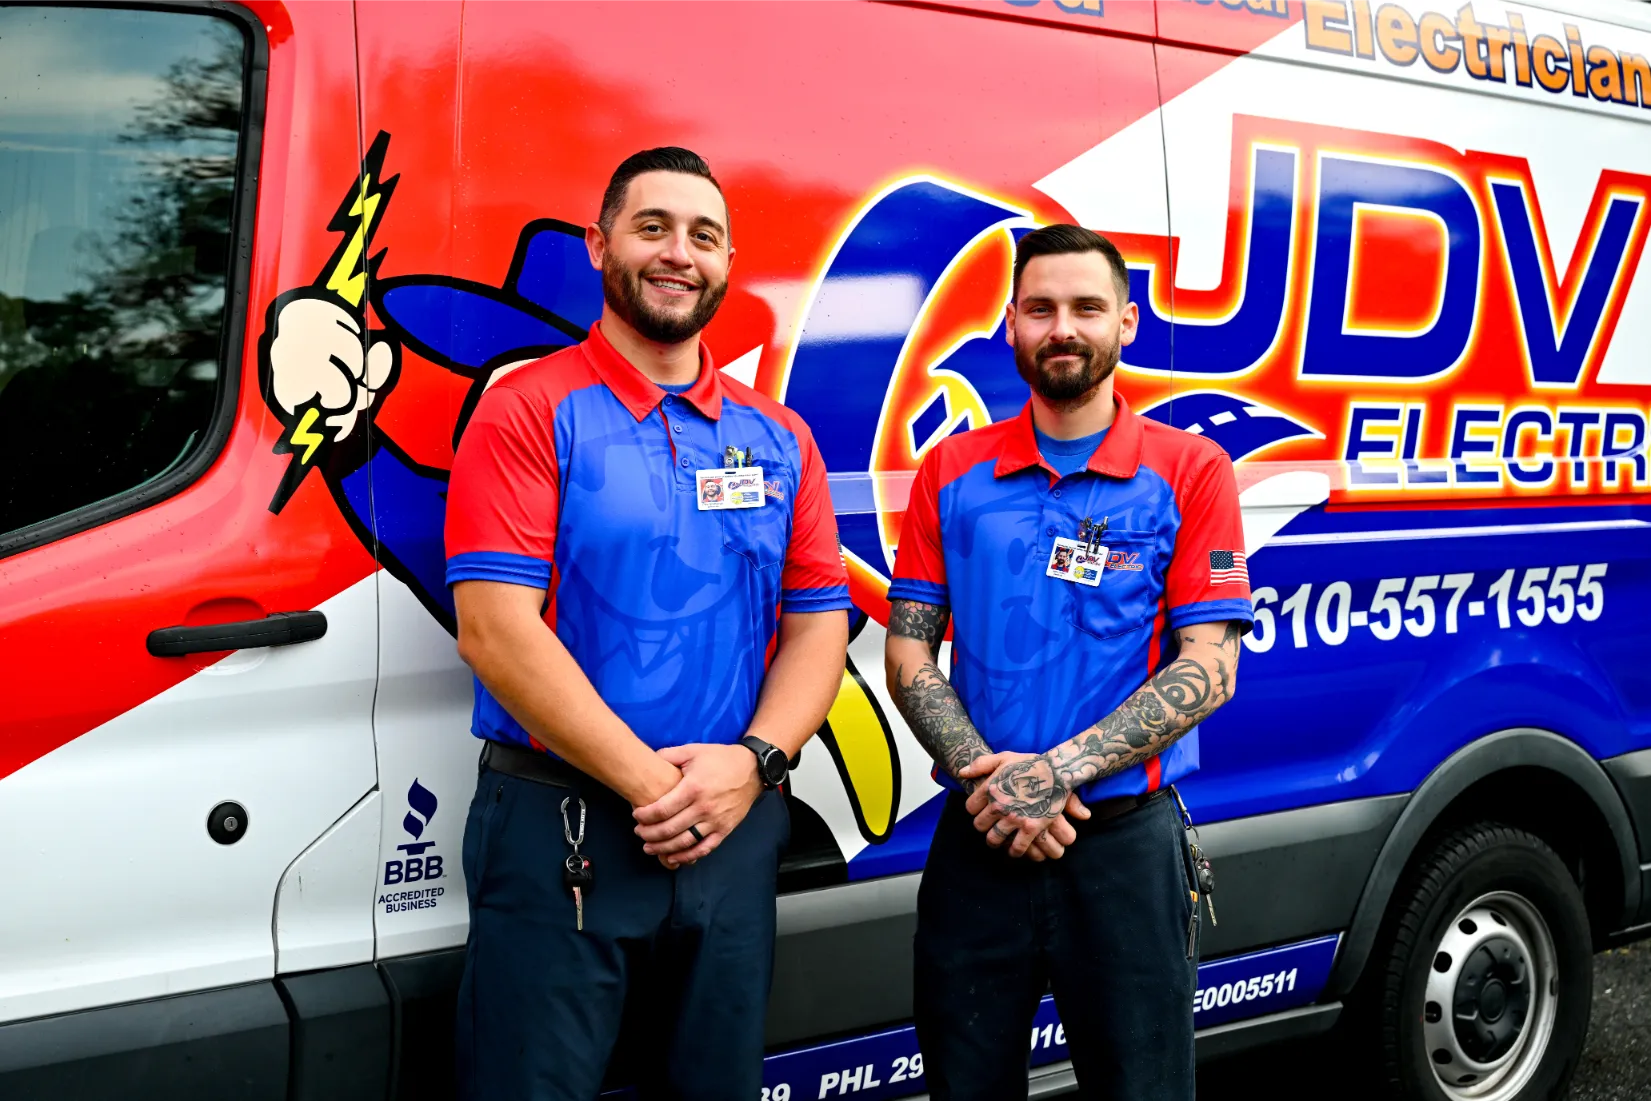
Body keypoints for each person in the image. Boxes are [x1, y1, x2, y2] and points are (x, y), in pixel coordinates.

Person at [445, 146, 851, 1101]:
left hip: (734, 822)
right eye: (652, 227)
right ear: (599, 245)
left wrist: (753, 763)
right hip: (564, 826)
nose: (678, 253)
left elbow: (817, 626)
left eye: (703, 236)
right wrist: (660, 790)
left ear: (727, 263)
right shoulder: (527, 411)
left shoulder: (778, 435)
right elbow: (494, 629)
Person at [883, 224, 1253, 1100]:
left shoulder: (1190, 470)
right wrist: (994, 783)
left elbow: (1210, 666)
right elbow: (907, 646)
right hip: (978, 840)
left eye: (1087, 307)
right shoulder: (951, 470)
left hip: (1122, 849)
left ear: (1125, 322)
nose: (1063, 328)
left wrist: (1053, 774)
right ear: (1010, 322)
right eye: (1040, 307)